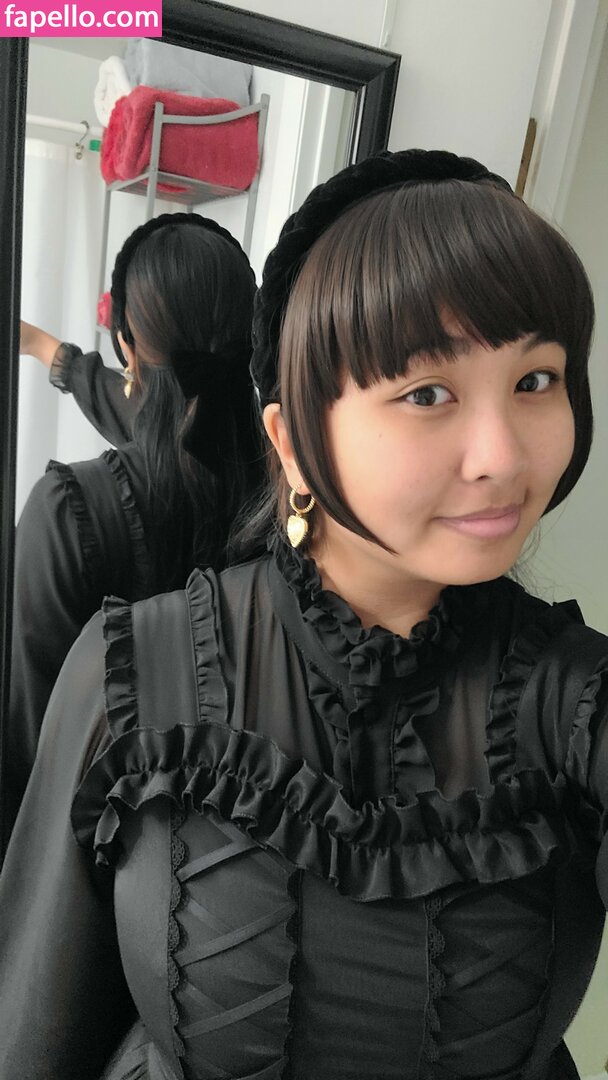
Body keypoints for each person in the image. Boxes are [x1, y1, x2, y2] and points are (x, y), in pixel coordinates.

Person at [0, 148, 606, 1080]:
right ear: (290, 439)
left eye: (536, 381)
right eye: (428, 394)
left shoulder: (575, 699)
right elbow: (32, 1033)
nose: (503, 457)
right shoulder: (132, 675)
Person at [5, 211, 261, 841]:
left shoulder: (67, 516)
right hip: (249, 840)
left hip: (91, 851)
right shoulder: (293, 483)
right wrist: (42, 347)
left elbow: (29, 753)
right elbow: (149, 407)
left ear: (126, 346)